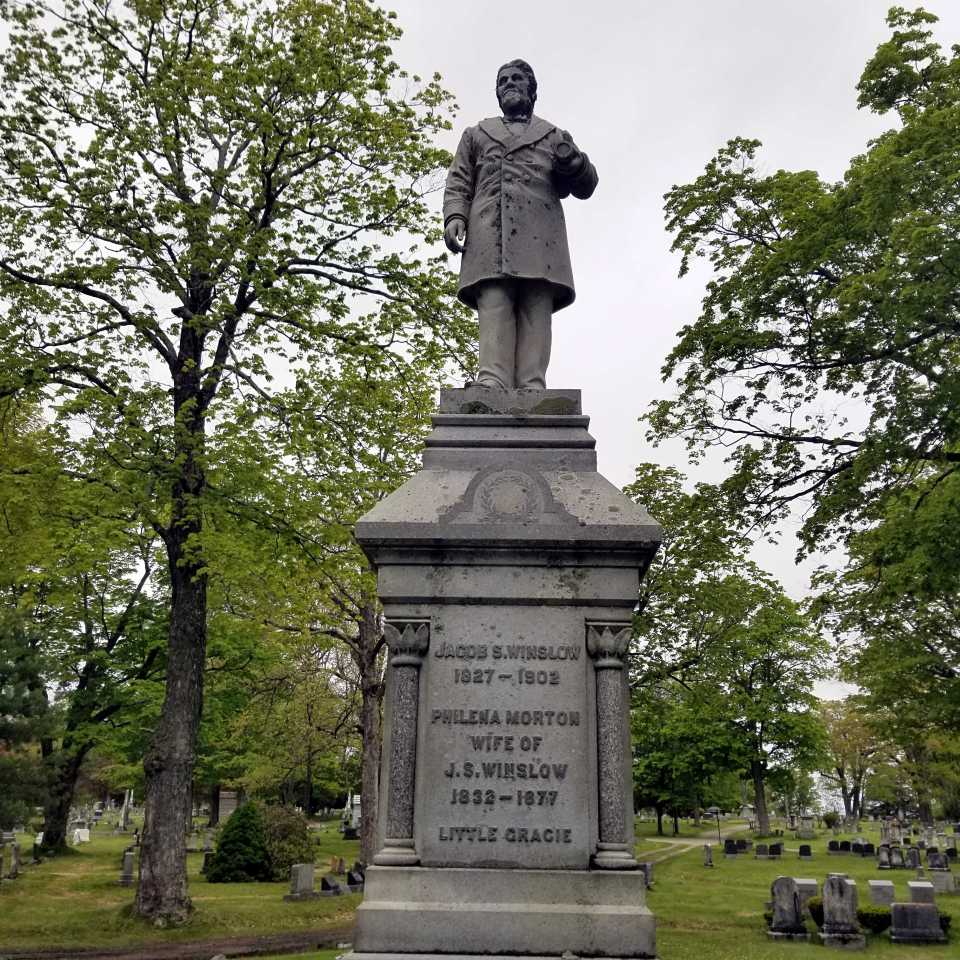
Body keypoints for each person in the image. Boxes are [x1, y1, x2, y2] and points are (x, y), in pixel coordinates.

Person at [443, 59, 598, 390]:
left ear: (532, 89)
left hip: (540, 234)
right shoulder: (476, 134)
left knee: (535, 306)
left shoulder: (553, 135)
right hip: (490, 230)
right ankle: (492, 379)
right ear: (497, 93)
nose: (509, 84)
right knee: (494, 301)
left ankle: (532, 384)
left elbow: (586, 186)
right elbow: (459, 180)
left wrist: (574, 162)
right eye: (503, 81)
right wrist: (455, 215)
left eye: (516, 79)